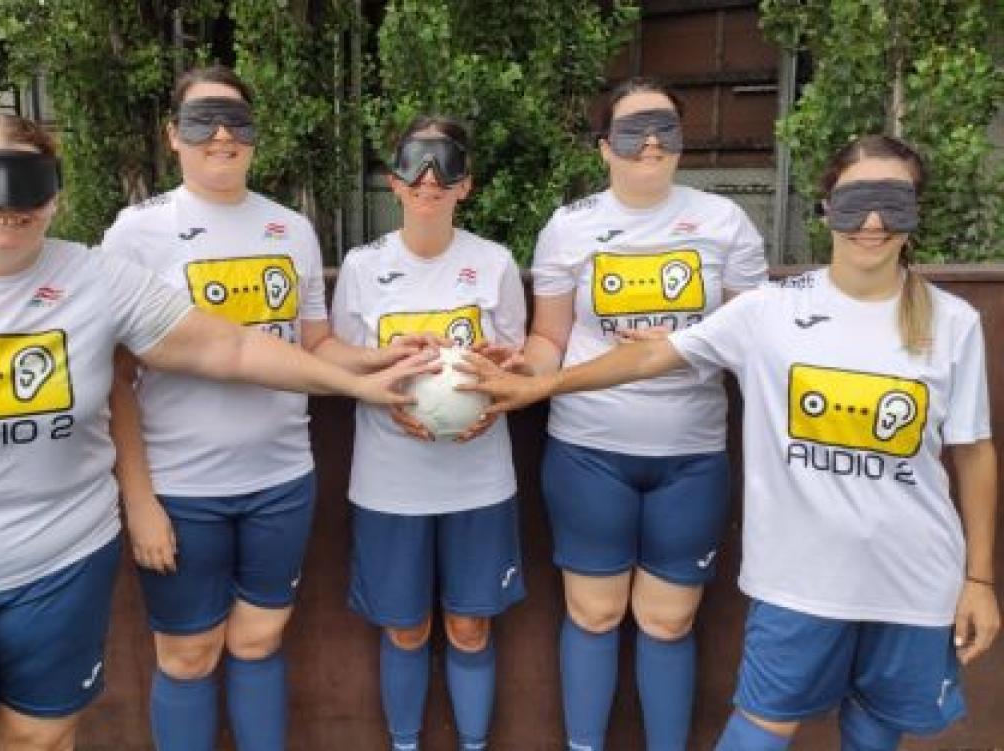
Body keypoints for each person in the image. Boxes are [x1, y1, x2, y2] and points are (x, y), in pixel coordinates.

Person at [0, 110, 430, 751]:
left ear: (55, 191)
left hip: (60, 562)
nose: (4, 204)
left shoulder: (95, 277)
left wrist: (361, 382)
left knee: (43, 737)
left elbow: (232, 349)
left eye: (25, 180)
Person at [464, 134, 999, 751]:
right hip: (799, 584)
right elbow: (651, 358)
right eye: (855, 200)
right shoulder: (769, 311)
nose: (874, 221)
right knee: (758, 730)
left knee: (875, 735)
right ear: (825, 208)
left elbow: (974, 451)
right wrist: (540, 385)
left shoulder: (953, 322)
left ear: (917, 210)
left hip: (915, 586)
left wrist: (978, 580)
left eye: (894, 202)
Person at [101, 65, 419, 751]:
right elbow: (113, 379)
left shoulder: (290, 228)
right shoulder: (135, 232)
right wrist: (140, 499)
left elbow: (316, 347)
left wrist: (389, 359)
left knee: (258, 639)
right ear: (172, 137)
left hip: (279, 480)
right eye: (202, 121)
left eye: (237, 122)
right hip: (181, 488)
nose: (221, 135)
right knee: (188, 655)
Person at [511, 77, 767, 751]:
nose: (650, 143)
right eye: (631, 130)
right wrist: (509, 379)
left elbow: (758, 340)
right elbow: (548, 339)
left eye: (665, 128)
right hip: (589, 448)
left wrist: (686, 346)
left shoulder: (725, 222)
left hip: (692, 453)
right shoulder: (569, 227)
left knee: (668, 621)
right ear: (603, 147)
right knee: (593, 614)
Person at [330, 115, 528, 751]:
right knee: (406, 629)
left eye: (445, 167)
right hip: (391, 482)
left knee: (470, 628)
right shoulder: (363, 268)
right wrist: (384, 391)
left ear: (465, 184)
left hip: (478, 477)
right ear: (392, 181)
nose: (429, 181)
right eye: (415, 166)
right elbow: (339, 358)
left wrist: (498, 388)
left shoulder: (494, 264)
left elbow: (515, 364)